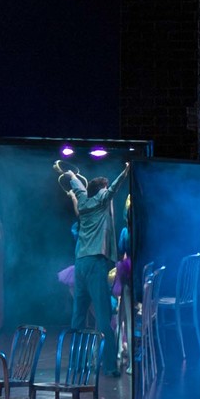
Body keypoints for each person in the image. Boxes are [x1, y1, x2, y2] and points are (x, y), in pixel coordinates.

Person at [56, 158, 129, 375]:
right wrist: (126, 170)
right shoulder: (100, 201)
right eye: (104, 190)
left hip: (80, 264)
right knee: (104, 317)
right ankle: (110, 367)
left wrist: (70, 175)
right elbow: (113, 188)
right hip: (95, 263)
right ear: (100, 192)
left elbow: (77, 186)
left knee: (78, 317)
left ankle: (76, 364)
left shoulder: (83, 200)